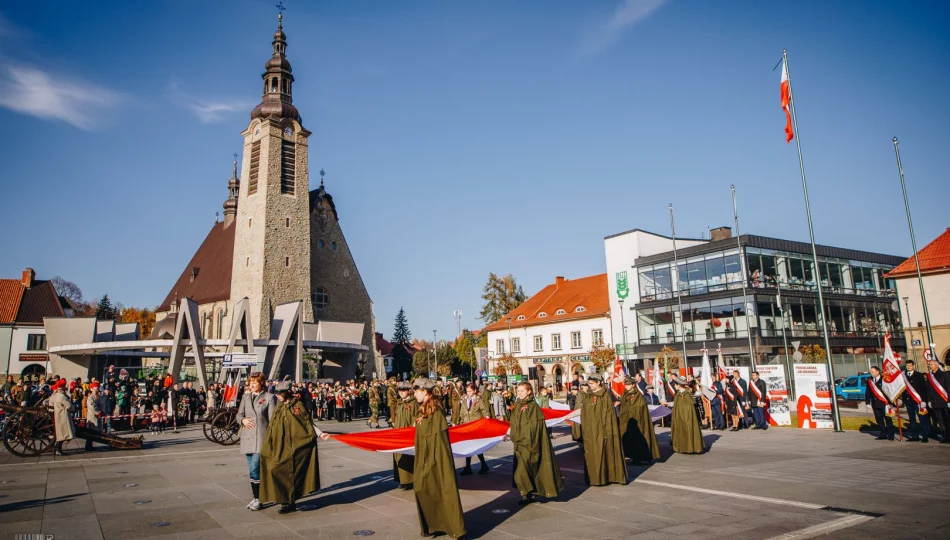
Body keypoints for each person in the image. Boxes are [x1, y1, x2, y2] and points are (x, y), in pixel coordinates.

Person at [259, 378, 328, 514]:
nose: (277, 395)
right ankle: (283, 498)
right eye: (276, 392)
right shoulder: (278, 406)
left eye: (280, 393)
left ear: (287, 392)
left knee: (293, 472)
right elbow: (271, 424)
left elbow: (308, 423)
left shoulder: (298, 405)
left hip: (296, 445)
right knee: (274, 469)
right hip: (279, 446)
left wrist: (320, 434)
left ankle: (289, 501)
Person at [412, 378, 466, 539]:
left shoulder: (436, 410)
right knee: (424, 488)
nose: (414, 394)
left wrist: (429, 462)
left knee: (436, 488)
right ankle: (435, 524)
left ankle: (449, 526)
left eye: (416, 391)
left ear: (425, 391)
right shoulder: (425, 409)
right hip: (427, 457)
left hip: (435, 458)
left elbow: (437, 441)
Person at [507, 381, 563, 505]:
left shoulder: (532, 406)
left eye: (522, 391)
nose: (519, 393)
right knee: (524, 471)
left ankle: (529, 492)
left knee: (520, 473)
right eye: (518, 391)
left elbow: (533, 428)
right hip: (518, 443)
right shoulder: (518, 404)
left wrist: (526, 440)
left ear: (529, 391)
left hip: (528, 444)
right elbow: (513, 421)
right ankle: (527, 495)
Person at [237, 372, 276, 511]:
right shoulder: (245, 397)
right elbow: (239, 414)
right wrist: (243, 420)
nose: (252, 385)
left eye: (255, 382)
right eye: (250, 382)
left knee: (255, 467)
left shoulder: (269, 398)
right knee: (252, 470)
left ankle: (259, 499)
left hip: (261, 438)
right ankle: (255, 497)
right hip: (247, 437)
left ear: (262, 383)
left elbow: (272, 420)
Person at [579, 375, 626, 486]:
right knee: (593, 454)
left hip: (603, 430)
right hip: (591, 430)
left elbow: (609, 416)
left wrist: (607, 430)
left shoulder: (606, 396)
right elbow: (584, 414)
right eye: (589, 383)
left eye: (592, 383)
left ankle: (607, 477)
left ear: (598, 382)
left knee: (606, 453)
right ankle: (594, 478)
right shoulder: (587, 397)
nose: (589, 385)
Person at [614, 375, 660, 464]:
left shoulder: (638, 395)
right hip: (626, 420)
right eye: (626, 384)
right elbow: (623, 406)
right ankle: (631, 456)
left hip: (637, 421)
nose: (626, 386)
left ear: (633, 385)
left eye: (628, 384)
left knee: (637, 439)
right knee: (627, 439)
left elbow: (640, 408)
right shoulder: (624, 394)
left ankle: (638, 458)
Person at [391, 382, 419, 489]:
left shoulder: (413, 403)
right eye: (400, 390)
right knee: (399, 456)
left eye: (404, 390)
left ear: (409, 391)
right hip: (398, 433)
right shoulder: (399, 403)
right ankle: (402, 480)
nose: (401, 393)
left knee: (407, 457)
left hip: (408, 433)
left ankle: (409, 481)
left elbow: (416, 417)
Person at [459, 383, 490, 475]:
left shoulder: (478, 400)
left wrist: (487, 417)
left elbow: (485, 410)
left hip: (476, 426)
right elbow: (462, 414)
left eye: (470, 391)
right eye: (467, 391)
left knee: (476, 447)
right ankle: (470, 467)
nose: (468, 393)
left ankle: (481, 465)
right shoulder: (464, 401)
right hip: (466, 426)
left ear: (474, 391)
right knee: (468, 447)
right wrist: (460, 425)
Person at [670, 376, 705, 454]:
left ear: (678, 385)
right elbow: (676, 405)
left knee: (688, 431)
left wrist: (684, 416)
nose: (674, 386)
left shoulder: (687, 395)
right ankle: (683, 447)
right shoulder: (678, 395)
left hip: (687, 418)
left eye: (675, 385)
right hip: (680, 418)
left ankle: (691, 447)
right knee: (682, 432)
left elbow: (688, 409)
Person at [902, 360, 929, 443]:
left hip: (918, 401)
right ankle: (915, 436)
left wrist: (924, 400)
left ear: (913, 366)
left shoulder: (919, 375)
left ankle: (925, 436)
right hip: (908, 401)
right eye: (907, 365)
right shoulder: (903, 375)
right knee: (912, 419)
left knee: (922, 419)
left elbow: (924, 389)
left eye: (910, 365)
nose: (908, 367)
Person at [865, 366, 894, 440]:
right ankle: (883, 434)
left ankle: (891, 435)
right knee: (879, 420)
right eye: (871, 372)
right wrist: (867, 402)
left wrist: (890, 403)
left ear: (878, 371)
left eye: (873, 372)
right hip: (875, 403)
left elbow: (889, 391)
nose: (871, 373)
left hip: (885, 403)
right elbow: (868, 392)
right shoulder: (869, 380)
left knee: (888, 420)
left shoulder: (884, 379)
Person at [926, 359, 949, 443]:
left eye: (931, 364)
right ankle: (944, 436)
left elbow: (948, 388)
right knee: (940, 420)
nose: (930, 366)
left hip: (944, 401)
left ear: (937, 365)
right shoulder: (930, 376)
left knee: (947, 419)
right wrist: (929, 400)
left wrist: (949, 400)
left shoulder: (944, 374)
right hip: (935, 402)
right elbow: (928, 389)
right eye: (929, 364)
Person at [50, 379, 75, 456]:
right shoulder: (61, 396)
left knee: (60, 433)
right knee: (63, 434)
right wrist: (73, 409)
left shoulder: (55, 395)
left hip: (57, 414)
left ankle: (57, 448)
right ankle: (58, 449)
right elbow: (69, 406)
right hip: (63, 415)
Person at [84, 382, 102, 451]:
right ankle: (88, 446)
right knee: (91, 431)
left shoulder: (98, 397)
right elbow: (92, 406)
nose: (96, 391)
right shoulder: (90, 397)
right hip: (92, 416)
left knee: (93, 432)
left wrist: (101, 411)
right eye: (95, 389)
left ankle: (90, 445)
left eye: (97, 389)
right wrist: (98, 412)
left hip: (97, 416)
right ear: (92, 390)